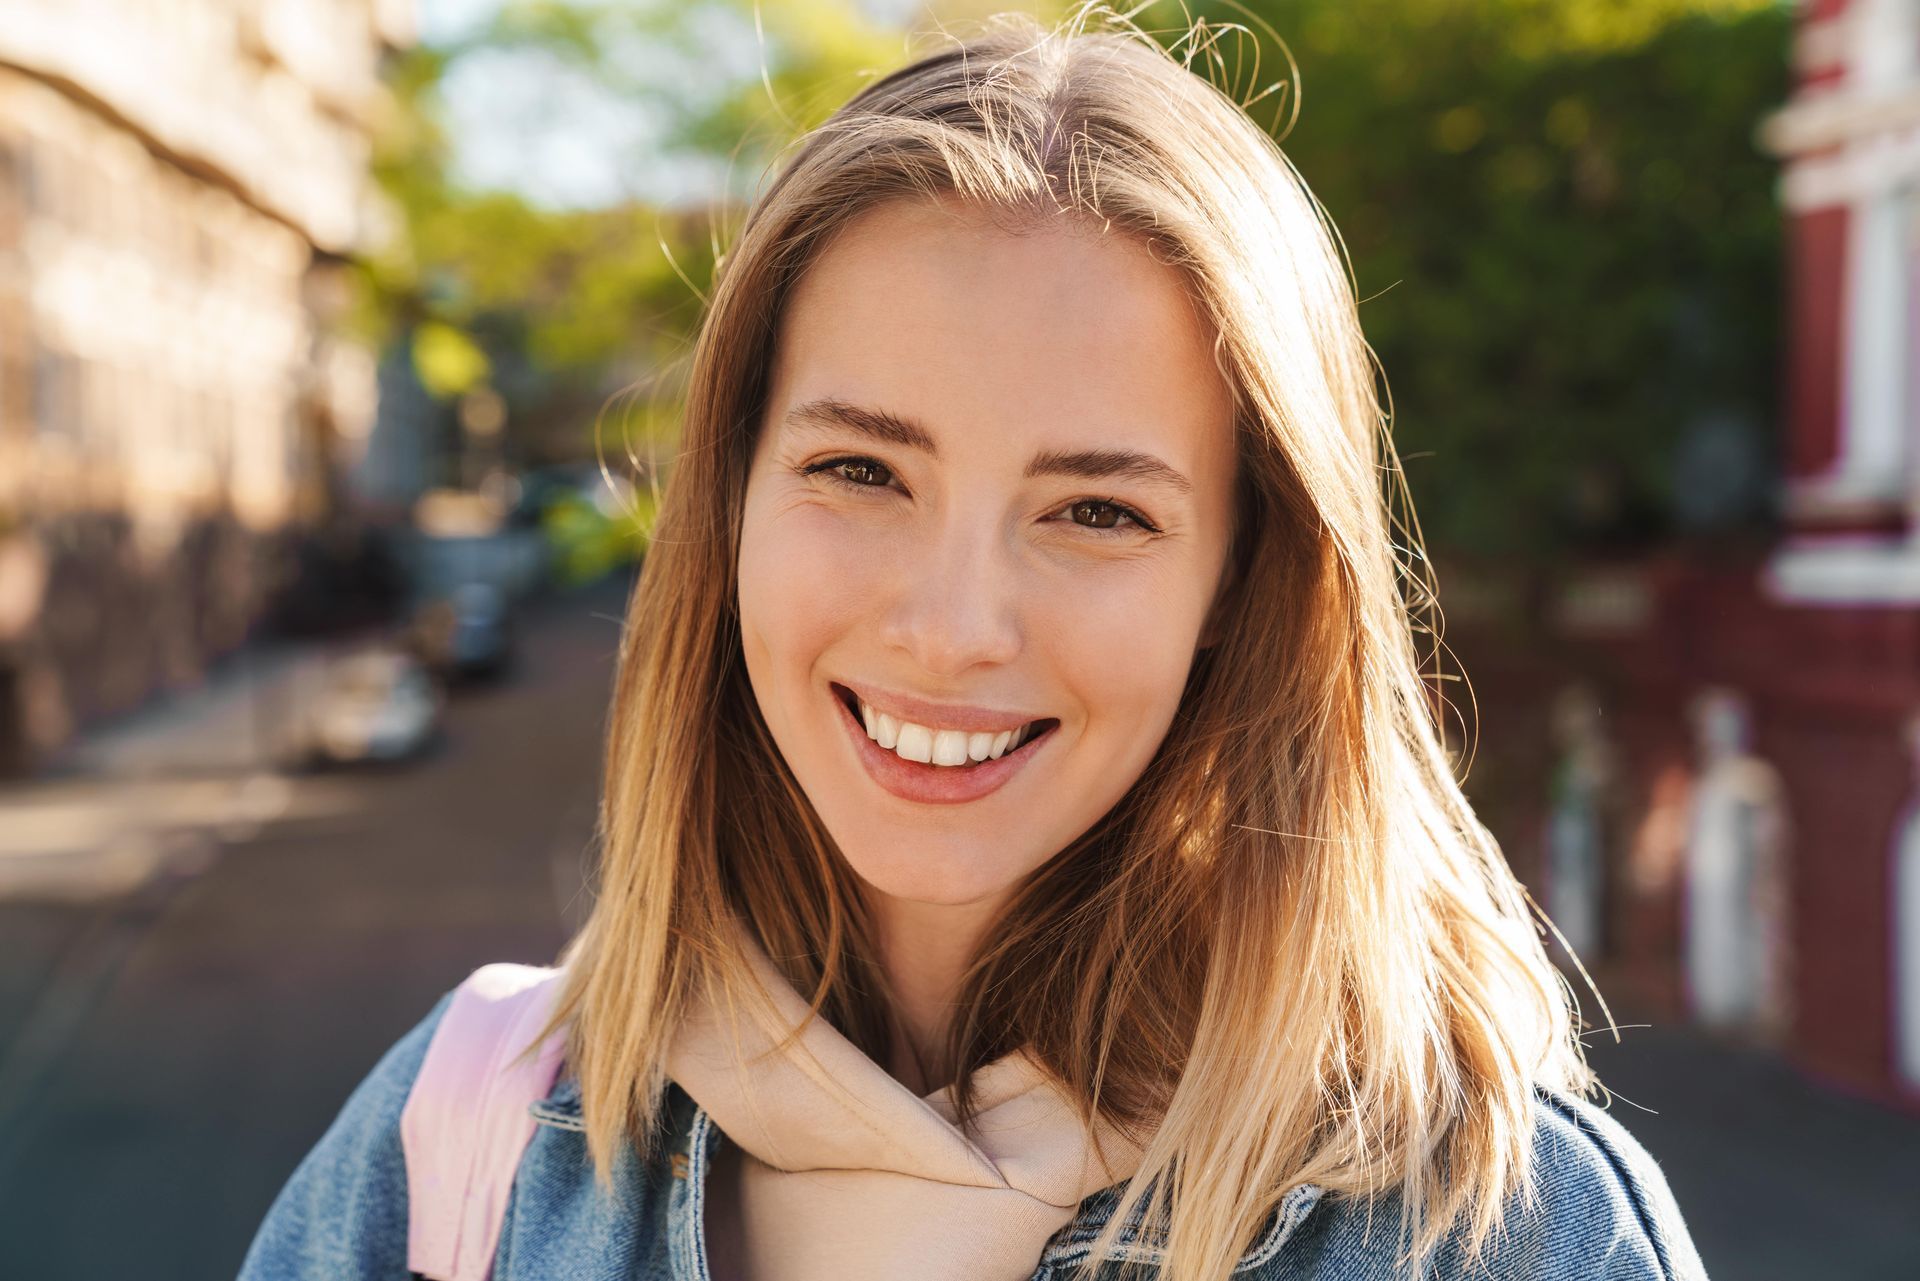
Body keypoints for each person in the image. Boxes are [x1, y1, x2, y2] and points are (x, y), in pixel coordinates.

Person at [238, 9, 1705, 1280]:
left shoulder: (1502, 1234)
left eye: (1096, 510)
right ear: (731, 504)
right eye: (863, 472)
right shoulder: (464, 1151)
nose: (949, 626)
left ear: (1243, 584)